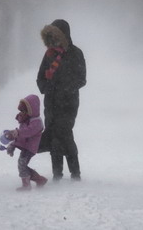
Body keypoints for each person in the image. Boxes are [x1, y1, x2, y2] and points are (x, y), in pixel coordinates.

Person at [37, 19, 87, 181]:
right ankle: (57, 174)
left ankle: (75, 173)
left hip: (68, 103)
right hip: (51, 103)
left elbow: (81, 79)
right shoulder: (49, 54)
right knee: (53, 135)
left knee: (65, 134)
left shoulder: (76, 53)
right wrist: (48, 88)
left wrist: (65, 90)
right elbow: (40, 78)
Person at [4, 94, 48, 191]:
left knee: (22, 164)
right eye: (22, 111)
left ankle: (27, 185)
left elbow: (28, 132)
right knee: (22, 164)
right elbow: (21, 136)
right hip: (25, 146)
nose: (22, 113)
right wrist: (13, 144)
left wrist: (16, 132)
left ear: (31, 110)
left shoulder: (36, 122)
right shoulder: (25, 121)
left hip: (30, 148)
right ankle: (39, 180)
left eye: (25, 111)